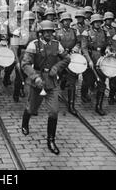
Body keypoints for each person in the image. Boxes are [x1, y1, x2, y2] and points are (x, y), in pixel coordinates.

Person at [20, 20, 70, 155]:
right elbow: (25, 64)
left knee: (54, 111)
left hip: (52, 82)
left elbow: (67, 59)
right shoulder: (33, 45)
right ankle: (25, 122)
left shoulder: (57, 45)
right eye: (45, 32)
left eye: (50, 32)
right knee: (32, 107)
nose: (48, 34)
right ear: (41, 33)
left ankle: (51, 140)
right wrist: (35, 77)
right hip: (37, 81)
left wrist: (56, 67)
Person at [81, 14, 114, 116]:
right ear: (92, 23)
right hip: (90, 58)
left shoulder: (105, 32)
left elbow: (109, 44)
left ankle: (98, 106)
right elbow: (84, 48)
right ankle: (83, 93)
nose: (98, 24)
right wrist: (89, 60)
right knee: (88, 80)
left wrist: (108, 49)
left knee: (102, 83)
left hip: (101, 60)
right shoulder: (86, 33)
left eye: (99, 22)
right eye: (96, 22)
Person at [55, 12, 81, 116]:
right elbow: (55, 44)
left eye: (69, 21)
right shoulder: (57, 32)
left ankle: (71, 104)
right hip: (60, 58)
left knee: (72, 82)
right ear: (61, 22)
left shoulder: (74, 31)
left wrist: (75, 48)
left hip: (71, 57)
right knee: (56, 79)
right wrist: (62, 53)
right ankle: (54, 101)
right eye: (65, 20)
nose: (67, 22)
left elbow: (79, 42)